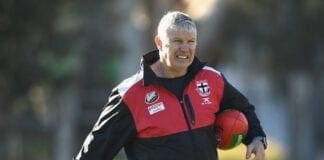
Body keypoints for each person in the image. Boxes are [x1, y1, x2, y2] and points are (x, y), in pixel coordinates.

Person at [74, 11, 267, 160]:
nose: (185, 49)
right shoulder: (130, 95)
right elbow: (93, 153)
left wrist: (256, 138)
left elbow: (243, 108)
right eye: (177, 41)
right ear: (159, 42)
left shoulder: (211, 79)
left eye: (191, 42)